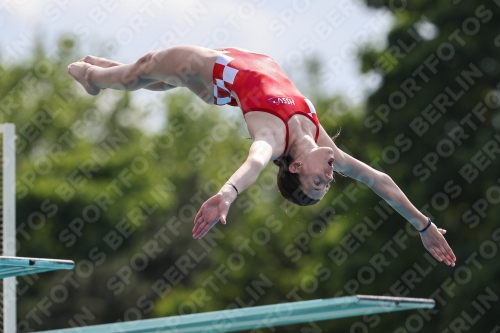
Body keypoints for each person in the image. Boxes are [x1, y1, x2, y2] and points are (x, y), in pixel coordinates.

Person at [68, 45, 456, 266]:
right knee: (158, 78)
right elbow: (379, 181)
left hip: (213, 68)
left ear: (298, 167)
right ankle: (112, 72)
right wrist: (423, 226)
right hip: (219, 85)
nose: (331, 176)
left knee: (148, 67)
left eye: (318, 182)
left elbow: (254, 162)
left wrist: (227, 194)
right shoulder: (323, 141)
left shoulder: (272, 136)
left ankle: (92, 77)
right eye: (328, 183)